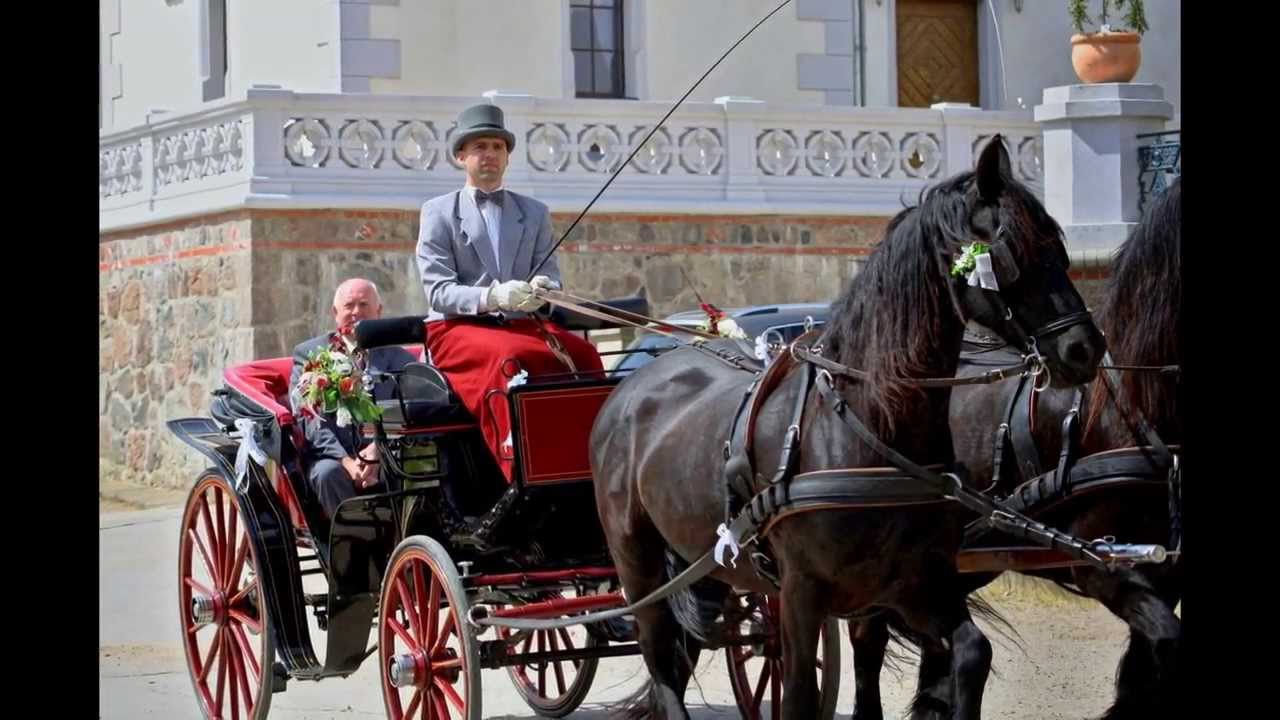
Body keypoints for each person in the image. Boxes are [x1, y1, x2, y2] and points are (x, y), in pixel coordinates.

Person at [416, 102, 603, 491]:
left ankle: (595, 461)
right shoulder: (437, 213)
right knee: (511, 360)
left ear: (507, 156)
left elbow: (548, 273)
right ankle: (519, 470)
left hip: (521, 325)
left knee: (585, 355)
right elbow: (439, 290)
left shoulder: (533, 212)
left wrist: (542, 292)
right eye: (480, 146)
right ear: (461, 156)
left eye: (498, 147)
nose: (490, 155)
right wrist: (493, 296)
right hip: (458, 328)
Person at [288, 278, 417, 518]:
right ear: (335, 313)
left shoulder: (400, 358)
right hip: (333, 457)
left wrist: (378, 451)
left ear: (379, 312)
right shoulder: (309, 355)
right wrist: (347, 462)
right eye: (349, 305)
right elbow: (309, 418)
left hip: (387, 451)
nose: (356, 311)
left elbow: (411, 407)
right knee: (328, 474)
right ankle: (353, 548)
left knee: (412, 468)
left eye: (364, 304)